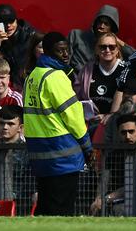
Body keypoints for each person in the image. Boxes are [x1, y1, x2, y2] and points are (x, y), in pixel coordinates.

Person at [24, 31, 91, 216]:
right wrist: (87, 146)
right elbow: (73, 116)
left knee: (45, 210)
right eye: (60, 51)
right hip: (62, 155)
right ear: (46, 51)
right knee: (62, 213)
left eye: (67, 50)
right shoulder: (56, 76)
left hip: (40, 155)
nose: (65, 55)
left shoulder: (32, 77)